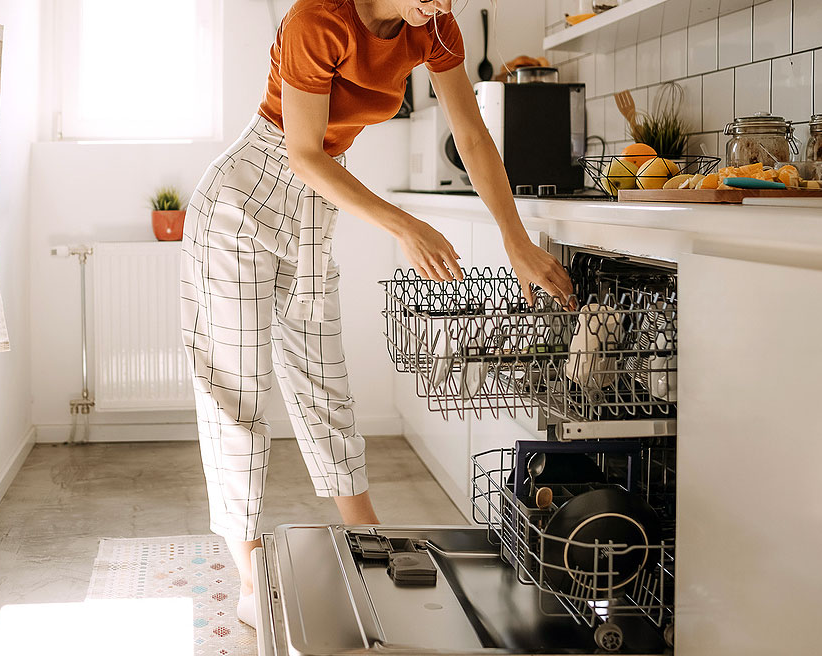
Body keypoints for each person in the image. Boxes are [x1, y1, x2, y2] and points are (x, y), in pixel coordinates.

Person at [179, 0, 573, 628]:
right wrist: (403, 225)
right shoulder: (319, 20)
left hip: (315, 202)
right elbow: (304, 151)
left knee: (323, 378)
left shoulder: (434, 26)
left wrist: (515, 239)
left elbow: (470, 135)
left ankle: (369, 537)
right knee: (236, 392)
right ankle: (251, 570)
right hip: (242, 202)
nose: (442, 4)